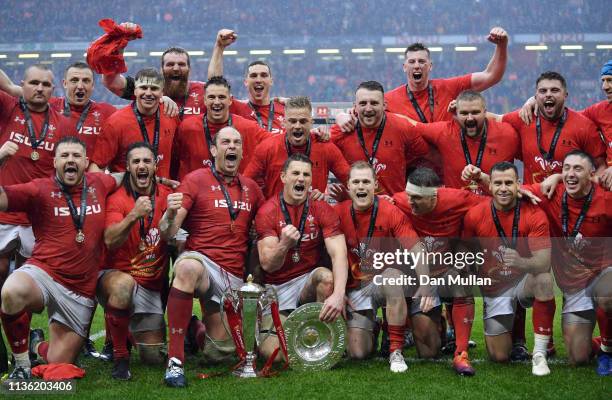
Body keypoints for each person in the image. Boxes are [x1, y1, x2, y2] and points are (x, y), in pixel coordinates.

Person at [0, 136, 122, 379]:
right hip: (44, 273)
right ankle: (22, 365)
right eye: (64, 156)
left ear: (86, 162)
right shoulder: (39, 189)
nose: (70, 160)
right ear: (54, 162)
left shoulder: (99, 182)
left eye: (76, 156)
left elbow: (122, 178)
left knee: (57, 362)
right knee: (11, 291)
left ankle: (36, 344)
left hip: (80, 290)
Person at [485, 151, 611, 375]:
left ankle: (608, 350)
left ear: (592, 174)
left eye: (577, 169)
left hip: (603, 273)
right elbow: (505, 187)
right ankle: (595, 342)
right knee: (578, 358)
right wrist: (479, 178)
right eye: (566, 169)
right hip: (574, 286)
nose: (570, 174)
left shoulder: (606, 198)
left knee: (608, 293)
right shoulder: (549, 193)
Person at [158, 127, 264, 387]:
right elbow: (168, 233)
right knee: (186, 269)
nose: (232, 146)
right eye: (225, 142)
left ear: (242, 152)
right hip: (203, 263)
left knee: (221, 352)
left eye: (237, 143)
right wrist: (169, 214)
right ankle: (175, 362)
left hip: (233, 278)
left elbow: (261, 233)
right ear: (214, 150)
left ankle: (195, 330)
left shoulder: (252, 189)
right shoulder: (194, 180)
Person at [337, 161, 434, 372]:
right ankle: (375, 326)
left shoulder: (390, 212)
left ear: (375, 185)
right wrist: (337, 291)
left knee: (392, 276)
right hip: (357, 286)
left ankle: (395, 350)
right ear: (348, 186)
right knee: (359, 353)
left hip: (387, 282)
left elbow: (417, 249)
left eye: (366, 181)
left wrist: (425, 284)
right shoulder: (338, 213)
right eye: (356, 182)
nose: (361, 187)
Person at [462, 162, 554, 376]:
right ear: (489, 186)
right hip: (495, 287)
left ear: (518, 185)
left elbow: (543, 262)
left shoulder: (534, 214)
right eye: (498, 183)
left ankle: (540, 355)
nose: (503, 188)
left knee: (544, 280)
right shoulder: (475, 215)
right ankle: (513, 327)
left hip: (523, 282)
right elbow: (466, 255)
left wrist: (521, 262)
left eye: (508, 183)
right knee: (499, 356)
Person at [255, 153, 348, 359]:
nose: (301, 179)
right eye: (295, 173)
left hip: (307, 283)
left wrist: (338, 294)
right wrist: (284, 245)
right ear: (283, 177)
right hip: (276, 289)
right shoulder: (268, 211)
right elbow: (268, 265)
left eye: (306, 174)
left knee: (326, 278)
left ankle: (325, 338)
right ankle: (298, 327)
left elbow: (339, 253)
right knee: (273, 355)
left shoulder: (322, 208)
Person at [393, 167, 484, 375]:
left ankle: (461, 353)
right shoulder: (399, 200)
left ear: (434, 195)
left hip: (449, 272)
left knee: (463, 277)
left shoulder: (458, 199)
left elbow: (496, 201)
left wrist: (520, 189)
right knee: (429, 353)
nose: (410, 202)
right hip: (419, 278)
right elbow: (374, 201)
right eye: (409, 196)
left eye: (416, 198)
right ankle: (441, 323)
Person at [98, 142, 174, 380]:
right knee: (123, 286)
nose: (142, 166)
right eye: (136, 161)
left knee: (152, 357)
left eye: (147, 161)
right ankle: (120, 358)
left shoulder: (168, 197)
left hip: (150, 286)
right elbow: (110, 240)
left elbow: (175, 235)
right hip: (115, 276)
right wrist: (133, 216)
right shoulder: (117, 198)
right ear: (128, 167)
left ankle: (122, 332)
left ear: (155, 166)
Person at [0, 64, 70, 306]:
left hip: (37, 216)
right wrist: (11, 89)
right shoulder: (8, 107)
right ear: (22, 85)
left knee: (26, 281)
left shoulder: (63, 124)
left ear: (54, 89)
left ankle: (23, 339)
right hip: (3, 208)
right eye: (33, 83)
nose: (39, 88)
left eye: (46, 84)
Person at [488, 71, 606, 184]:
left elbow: (601, 165)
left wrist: (591, 188)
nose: (548, 94)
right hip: (533, 201)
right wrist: (470, 111)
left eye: (554, 90)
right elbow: (494, 119)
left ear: (565, 95)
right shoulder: (525, 118)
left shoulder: (584, 126)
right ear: (536, 96)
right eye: (543, 91)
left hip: (568, 202)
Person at [519, 60, 612, 190]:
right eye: (603, 81)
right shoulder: (600, 111)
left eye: (610, 80)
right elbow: (567, 117)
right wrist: (535, 100)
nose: (605, 87)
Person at [384, 27, 509, 123]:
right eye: (411, 62)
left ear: (430, 66)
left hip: (447, 156)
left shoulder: (448, 87)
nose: (417, 66)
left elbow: (491, 76)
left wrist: (501, 45)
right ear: (404, 67)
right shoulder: (389, 100)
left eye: (422, 61)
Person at [331, 81, 429, 195]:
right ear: (355, 106)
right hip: (355, 207)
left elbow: (424, 156)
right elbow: (316, 147)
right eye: (363, 103)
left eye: (374, 103)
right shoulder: (341, 130)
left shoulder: (402, 127)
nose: (368, 108)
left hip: (394, 207)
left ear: (384, 105)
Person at [413, 90, 520, 193]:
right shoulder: (444, 132)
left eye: (475, 112)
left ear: (485, 113)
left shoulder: (508, 134)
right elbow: (408, 125)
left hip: (496, 208)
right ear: (456, 114)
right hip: (459, 209)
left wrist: (532, 101)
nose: (469, 118)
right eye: (464, 113)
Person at [244, 96, 349, 199]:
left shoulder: (326, 148)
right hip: (275, 214)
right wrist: (262, 206)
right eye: (293, 121)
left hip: (313, 214)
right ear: (284, 123)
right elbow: (245, 185)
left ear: (311, 123)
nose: (298, 126)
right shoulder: (267, 148)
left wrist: (347, 197)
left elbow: (353, 182)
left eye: (303, 121)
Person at [0, 62, 117, 155]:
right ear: (64, 83)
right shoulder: (48, 103)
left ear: (93, 85)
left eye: (86, 81)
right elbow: (11, 88)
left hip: (90, 178)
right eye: (74, 80)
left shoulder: (107, 112)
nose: (80, 86)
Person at [172, 76, 272, 180]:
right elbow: (173, 161)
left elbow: (277, 142)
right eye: (211, 97)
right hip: (197, 193)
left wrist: (285, 104)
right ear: (204, 100)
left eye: (221, 97)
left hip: (235, 193)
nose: (216, 102)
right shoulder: (187, 128)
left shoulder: (248, 128)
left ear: (230, 100)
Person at [90, 68, 180, 179]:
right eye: (143, 88)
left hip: (162, 192)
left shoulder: (170, 114)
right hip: (127, 193)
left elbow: (178, 157)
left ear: (162, 92)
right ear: (135, 91)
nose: (148, 93)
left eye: (154, 88)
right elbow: (97, 167)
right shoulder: (116, 122)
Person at [208, 29, 284, 133]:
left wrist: (295, 103)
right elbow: (214, 85)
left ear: (271, 81)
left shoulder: (285, 109)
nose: (258, 79)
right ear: (246, 82)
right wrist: (219, 47)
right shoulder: (236, 108)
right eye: (253, 76)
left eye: (264, 75)